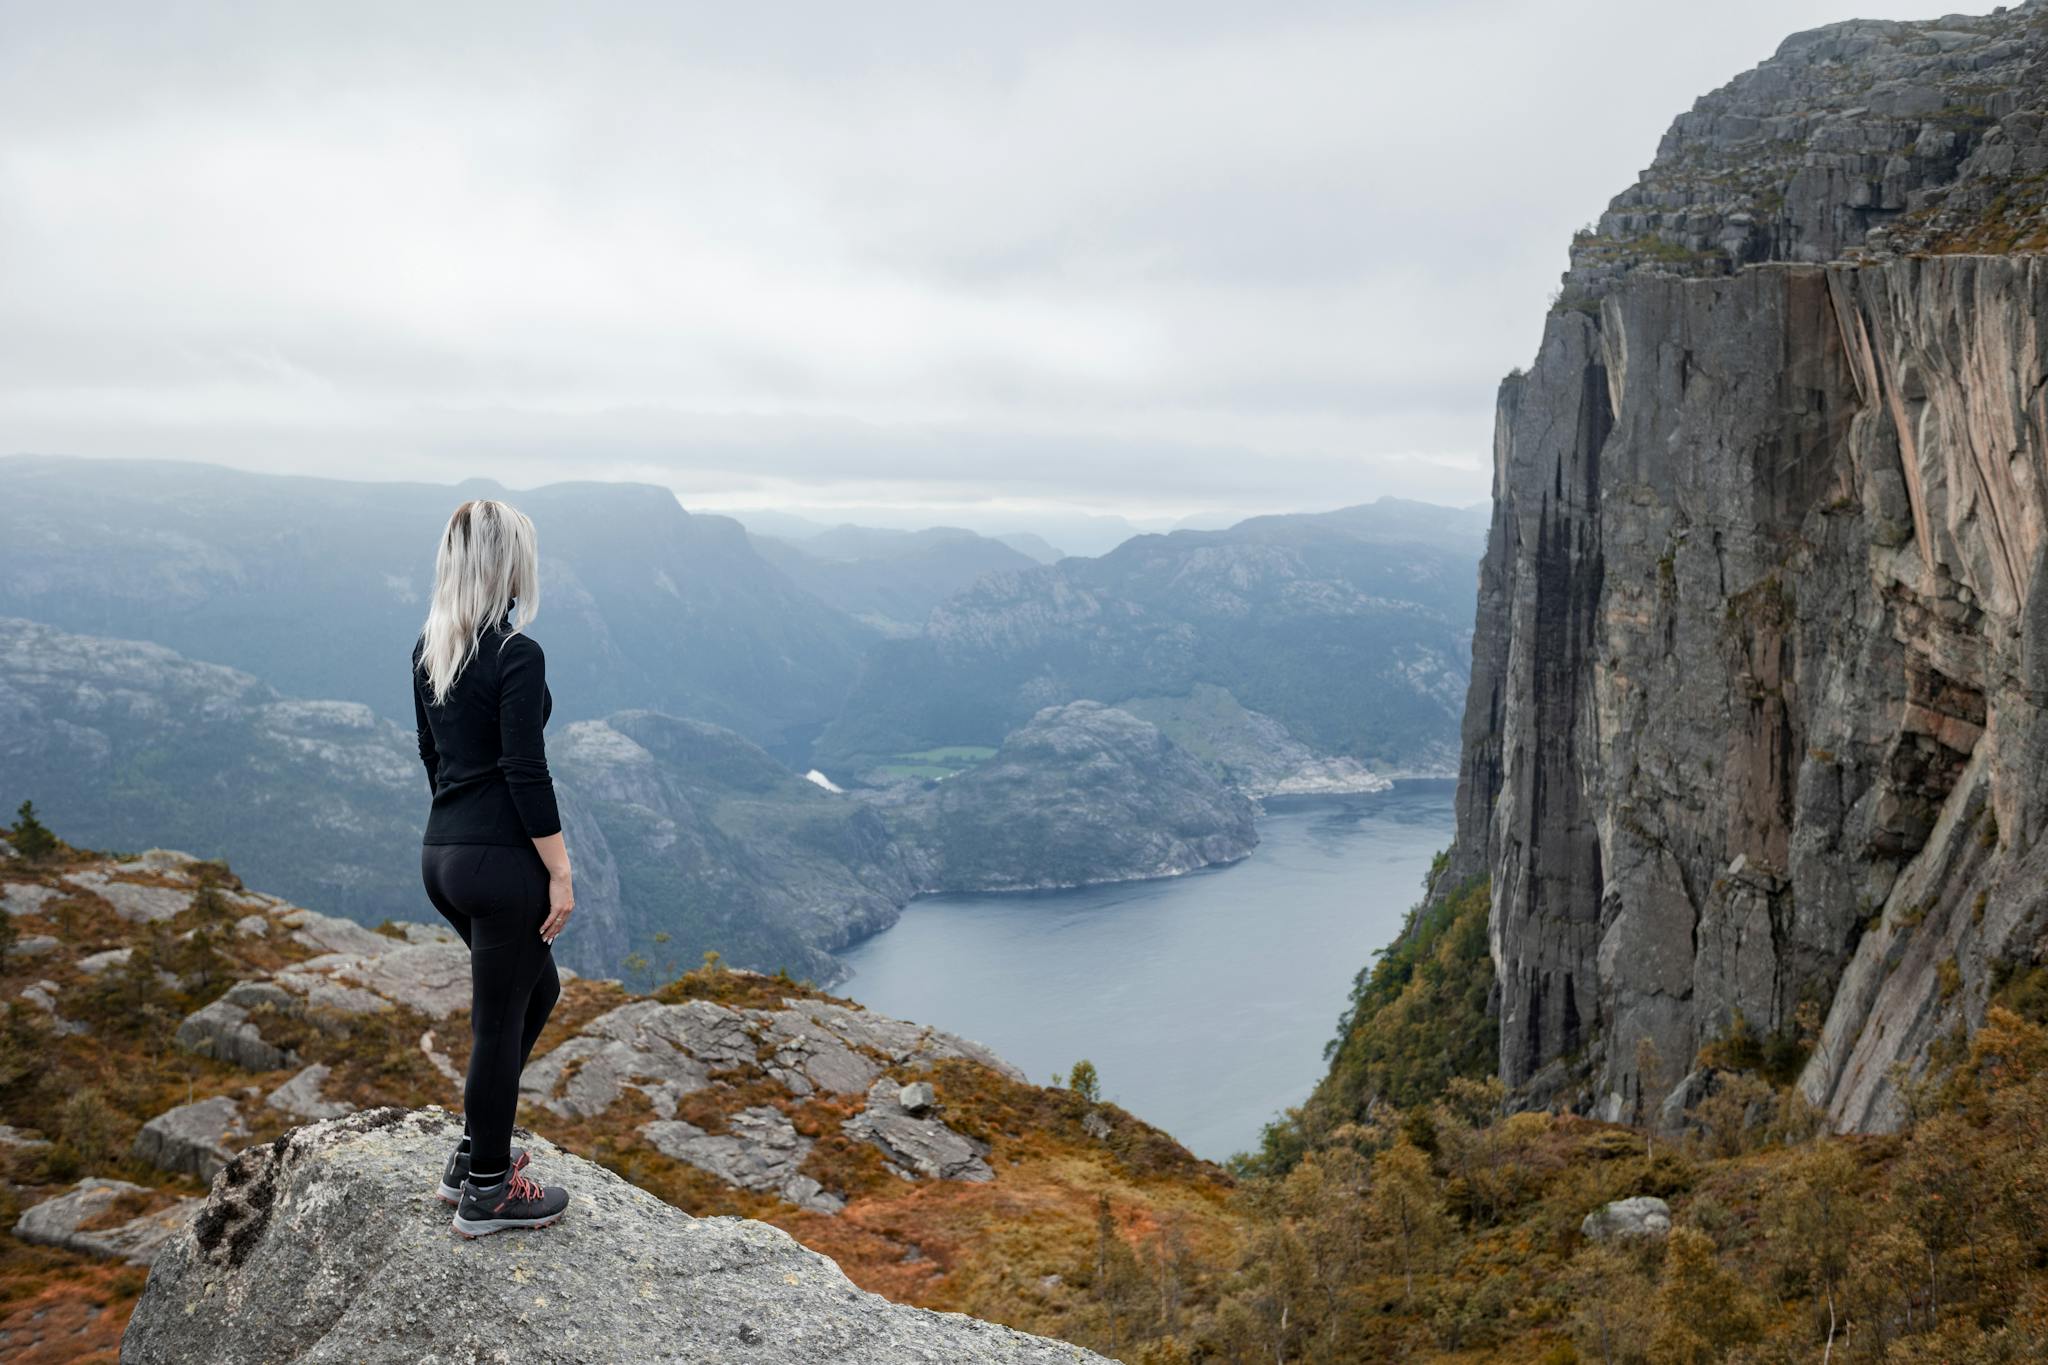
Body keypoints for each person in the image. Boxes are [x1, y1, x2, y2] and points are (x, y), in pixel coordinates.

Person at [411, 498, 575, 1237]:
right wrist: (561, 870)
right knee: (497, 1022)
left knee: (537, 992)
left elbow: (433, 757)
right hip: (500, 862)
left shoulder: (429, 649)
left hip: (442, 855)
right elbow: (524, 768)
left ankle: (475, 1152)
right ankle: (486, 1190)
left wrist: (458, 833)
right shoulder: (516, 654)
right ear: (509, 564)